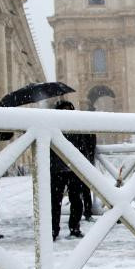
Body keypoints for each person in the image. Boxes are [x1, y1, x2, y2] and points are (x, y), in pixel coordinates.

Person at [50, 100, 88, 240]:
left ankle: (72, 227)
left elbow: (82, 146)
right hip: (60, 169)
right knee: (57, 202)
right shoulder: (57, 125)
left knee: (74, 201)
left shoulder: (73, 125)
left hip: (70, 169)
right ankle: (56, 229)